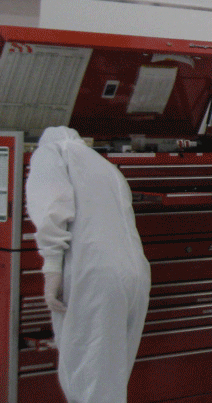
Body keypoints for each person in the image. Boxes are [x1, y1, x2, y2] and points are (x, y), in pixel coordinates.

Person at [25, 126, 151, 403]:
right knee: (112, 379)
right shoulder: (105, 166)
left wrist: (52, 268)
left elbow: (53, 209)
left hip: (95, 276)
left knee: (90, 380)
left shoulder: (51, 153)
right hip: (134, 276)